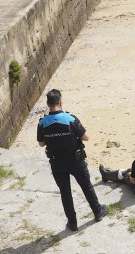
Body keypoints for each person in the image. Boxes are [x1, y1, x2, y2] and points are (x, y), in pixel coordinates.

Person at [37, 89, 107, 231]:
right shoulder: (70, 119)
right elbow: (86, 137)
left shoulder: (42, 123)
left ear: (47, 104)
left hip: (57, 163)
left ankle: (72, 222)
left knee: (65, 192)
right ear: (60, 102)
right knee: (86, 186)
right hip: (76, 160)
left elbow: (41, 143)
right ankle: (98, 212)